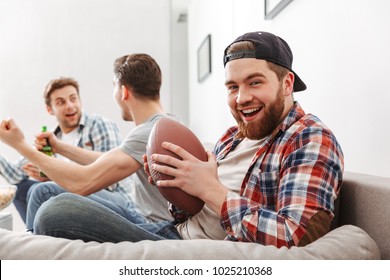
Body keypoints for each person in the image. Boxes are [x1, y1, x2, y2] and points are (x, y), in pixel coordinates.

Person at [1, 32, 344, 248]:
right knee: (47, 196)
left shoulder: (308, 137)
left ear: (286, 84)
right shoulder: (231, 137)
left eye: (255, 83)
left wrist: (209, 189)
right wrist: (176, 188)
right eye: (232, 87)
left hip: (184, 246)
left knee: (53, 208)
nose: (241, 98)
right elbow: (190, 213)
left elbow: (293, 234)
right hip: (173, 230)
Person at [0, 54, 176, 232]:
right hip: (148, 216)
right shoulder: (167, 124)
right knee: (37, 194)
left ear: (123, 92)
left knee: (42, 192)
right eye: (61, 102)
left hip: (151, 223)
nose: (69, 106)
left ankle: (32, 253)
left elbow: (83, 182)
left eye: (113, 86)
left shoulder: (147, 132)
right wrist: (58, 146)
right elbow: (108, 160)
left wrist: (19, 144)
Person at [0, 77, 126, 223]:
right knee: (20, 188)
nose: (70, 106)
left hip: (113, 199)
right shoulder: (49, 138)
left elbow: (111, 179)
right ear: (50, 109)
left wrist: (55, 174)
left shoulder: (98, 124)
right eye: (61, 102)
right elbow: (15, 174)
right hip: (76, 199)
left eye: (73, 99)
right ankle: (41, 235)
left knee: (41, 189)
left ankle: (36, 237)